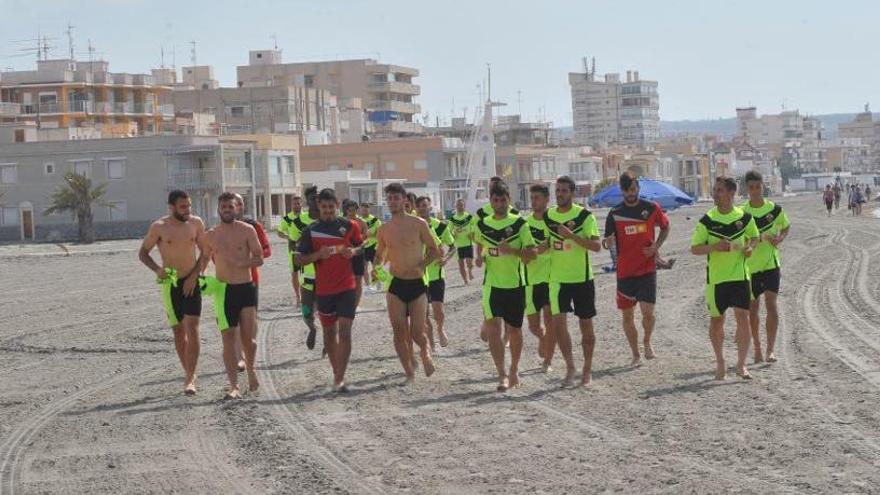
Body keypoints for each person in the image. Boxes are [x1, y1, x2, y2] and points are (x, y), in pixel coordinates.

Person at [690, 177, 759, 381]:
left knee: (743, 318)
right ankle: (720, 362)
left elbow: (754, 237)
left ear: (731, 193)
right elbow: (694, 248)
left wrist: (750, 248)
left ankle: (741, 365)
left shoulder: (745, 218)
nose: (715, 194)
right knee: (717, 321)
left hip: (739, 276)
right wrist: (714, 247)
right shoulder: (707, 220)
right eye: (715, 190)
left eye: (719, 190)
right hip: (716, 280)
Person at [139, 190, 207, 395]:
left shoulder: (196, 223)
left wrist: (195, 276)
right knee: (178, 331)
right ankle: (189, 372)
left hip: (192, 280)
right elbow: (143, 253)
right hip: (171, 285)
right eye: (183, 207)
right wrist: (157, 270)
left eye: (189, 206)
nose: (188, 210)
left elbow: (205, 252)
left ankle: (189, 379)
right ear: (171, 207)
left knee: (192, 327)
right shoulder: (159, 227)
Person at [296, 189, 363, 392]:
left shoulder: (349, 226)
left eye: (330, 207)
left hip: (346, 287)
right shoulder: (310, 230)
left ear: (337, 205)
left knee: (345, 330)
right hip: (324, 290)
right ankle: (336, 372)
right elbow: (298, 259)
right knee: (328, 333)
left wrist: (352, 251)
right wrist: (318, 255)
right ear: (318, 207)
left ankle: (340, 379)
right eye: (323, 208)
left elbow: (362, 246)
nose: (327, 211)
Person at [374, 183, 442, 384]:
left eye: (396, 198)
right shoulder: (383, 229)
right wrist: (376, 265)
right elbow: (380, 253)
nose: (393, 202)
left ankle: (425, 352)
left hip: (417, 285)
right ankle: (409, 371)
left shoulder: (419, 223)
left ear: (405, 200)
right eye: (390, 198)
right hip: (396, 284)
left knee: (417, 332)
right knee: (398, 331)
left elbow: (434, 249)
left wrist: (422, 265)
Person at [473, 183, 536, 390]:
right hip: (492, 286)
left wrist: (512, 251)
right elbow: (481, 244)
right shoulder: (482, 224)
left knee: (516, 331)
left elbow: (532, 255)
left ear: (509, 199)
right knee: (493, 330)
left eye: (502, 200)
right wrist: (480, 257)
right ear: (490, 201)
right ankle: (501, 374)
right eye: (495, 200)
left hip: (515, 285)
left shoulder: (520, 224)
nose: (499, 204)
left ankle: (514, 369)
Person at [603, 172, 670, 367]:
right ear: (622, 191)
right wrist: (608, 243)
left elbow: (665, 227)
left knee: (648, 313)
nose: (630, 193)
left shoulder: (651, 208)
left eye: (633, 189)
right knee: (627, 316)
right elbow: (608, 241)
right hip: (625, 272)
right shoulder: (614, 214)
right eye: (627, 190)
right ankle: (635, 353)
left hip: (647, 269)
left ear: (638, 188)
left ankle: (647, 341)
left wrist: (656, 247)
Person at [201, 192, 264, 399]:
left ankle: (252, 370)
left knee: (249, 340)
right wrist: (198, 277)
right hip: (223, 291)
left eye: (230, 206)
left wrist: (242, 263)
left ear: (236, 208)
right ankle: (234, 386)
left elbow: (259, 258)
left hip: (245, 288)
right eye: (223, 206)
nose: (227, 210)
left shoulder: (247, 230)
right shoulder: (211, 234)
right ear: (218, 209)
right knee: (228, 339)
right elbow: (203, 260)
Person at [544, 176, 602, 387]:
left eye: (564, 191)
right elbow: (547, 241)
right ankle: (570, 367)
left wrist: (571, 236)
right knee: (558, 325)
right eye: (557, 191)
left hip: (582, 279)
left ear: (573, 193)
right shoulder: (548, 216)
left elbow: (597, 246)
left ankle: (587, 369)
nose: (560, 194)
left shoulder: (585, 216)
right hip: (558, 280)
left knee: (586, 326)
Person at [741, 171, 790, 364]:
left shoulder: (775, 210)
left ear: (763, 186)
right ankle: (758, 348)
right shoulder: (742, 213)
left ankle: (770, 349)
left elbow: (786, 226)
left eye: (757, 187)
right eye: (751, 188)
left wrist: (780, 238)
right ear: (747, 189)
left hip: (771, 265)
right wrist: (758, 239)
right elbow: (740, 238)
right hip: (750, 268)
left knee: (772, 305)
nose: (754, 191)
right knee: (753, 310)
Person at [232, 193, 271, 372]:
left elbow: (267, 250)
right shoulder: (220, 229)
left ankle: (249, 353)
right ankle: (239, 357)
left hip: (251, 279)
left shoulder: (254, 226)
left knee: (250, 319)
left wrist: (250, 257)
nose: (237, 207)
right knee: (234, 322)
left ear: (243, 206)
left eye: (239, 203)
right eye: (234, 203)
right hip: (227, 280)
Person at [279, 187, 320, 350]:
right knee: (306, 311)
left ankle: (330, 339)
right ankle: (312, 328)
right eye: (311, 199)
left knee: (330, 311)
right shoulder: (298, 222)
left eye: (317, 199)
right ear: (307, 201)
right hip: (308, 273)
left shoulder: (330, 220)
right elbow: (295, 243)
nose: (314, 202)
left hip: (328, 275)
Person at [416, 196, 455, 349]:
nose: (423, 208)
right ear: (416, 208)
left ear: (430, 207)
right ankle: (431, 342)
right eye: (419, 206)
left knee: (438, 310)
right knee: (424, 314)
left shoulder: (441, 227)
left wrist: (446, 259)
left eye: (425, 205)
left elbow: (453, 247)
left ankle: (440, 328)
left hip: (437, 275)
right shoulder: (414, 227)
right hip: (420, 276)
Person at [524, 183, 555, 372]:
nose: (534, 201)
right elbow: (522, 251)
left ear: (546, 199)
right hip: (530, 280)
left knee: (551, 320)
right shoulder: (524, 224)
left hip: (551, 278)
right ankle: (543, 339)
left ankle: (548, 361)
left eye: (537, 198)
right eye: (532, 198)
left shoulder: (554, 222)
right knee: (534, 326)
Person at [278, 195, 304, 306]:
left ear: (301, 204)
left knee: (307, 275)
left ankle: (308, 297)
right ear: (291, 205)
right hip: (293, 250)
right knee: (294, 274)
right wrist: (287, 237)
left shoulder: (306, 217)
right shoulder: (287, 218)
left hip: (306, 250)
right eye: (294, 203)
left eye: (298, 203)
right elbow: (279, 232)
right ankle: (298, 297)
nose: (296, 205)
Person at [343, 199, 368, 307]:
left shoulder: (361, 222)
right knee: (346, 280)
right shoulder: (342, 222)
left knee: (358, 280)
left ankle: (356, 305)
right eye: (350, 210)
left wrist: (362, 241)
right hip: (346, 255)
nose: (352, 213)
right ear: (346, 210)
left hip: (358, 254)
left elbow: (367, 238)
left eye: (354, 210)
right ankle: (346, 303)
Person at [449, 198, 477, 284]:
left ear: (464, 206)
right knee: (461, 265)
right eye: (458, 205)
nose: (460, 207)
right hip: (458, 245)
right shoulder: (453, 219)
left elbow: (474, 225)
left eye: (461, 205)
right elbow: (449, 230)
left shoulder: (469, 217)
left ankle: (470, 271)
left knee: (469, 263)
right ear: (455, 207)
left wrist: (471, 232)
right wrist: (453, 234)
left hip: (468, 243)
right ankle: (465, 280)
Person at [358, 202, 382, 290]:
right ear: (360, 210)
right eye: (362, 209)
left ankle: (377, 284)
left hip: (373, 246)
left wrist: (369, 234)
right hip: (363, 246)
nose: (364, 211)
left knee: (375, 267)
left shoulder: (375, 220)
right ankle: (368, 286)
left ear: (369, 209)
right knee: (364, 267)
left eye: (366, 209)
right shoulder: (358, 220)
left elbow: (379, 234)